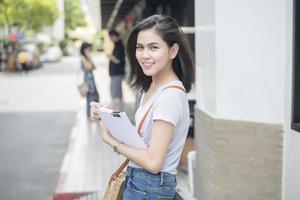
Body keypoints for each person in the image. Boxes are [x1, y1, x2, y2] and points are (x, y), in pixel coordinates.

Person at [91, 14, 194, 199]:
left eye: (153, 47)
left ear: (173, 51)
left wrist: (112, 142)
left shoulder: (169, 96)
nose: (144, 55)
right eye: (140, 47)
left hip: (149, 188)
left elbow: (153, 162)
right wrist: (106, 117)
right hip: (142, 185)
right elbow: (144, 140)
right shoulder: (152, 87)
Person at [107, 30, 126, 110]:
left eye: (111, 37)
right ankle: (118, 111)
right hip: (116, 73)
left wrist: (110, 56)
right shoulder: (117, 44)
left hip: (117, 73)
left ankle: (116, 111)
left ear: (114, 36)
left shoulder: (119, 45)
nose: (110, 39)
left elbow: (118, 60)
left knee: (115, 93)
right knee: (117, 92)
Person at [80, 42, 99, 120]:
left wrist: (90, 59)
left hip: (91, 79)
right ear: (84, 49)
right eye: (88, 49)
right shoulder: (83, 58)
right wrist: (89, 58)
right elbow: (88, 67)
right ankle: (89, 116)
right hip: (88, 81)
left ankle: (94, 115)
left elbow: (94, 67)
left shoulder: (87, 58)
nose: (89, 51)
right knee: (90, 98)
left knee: (96, 96)